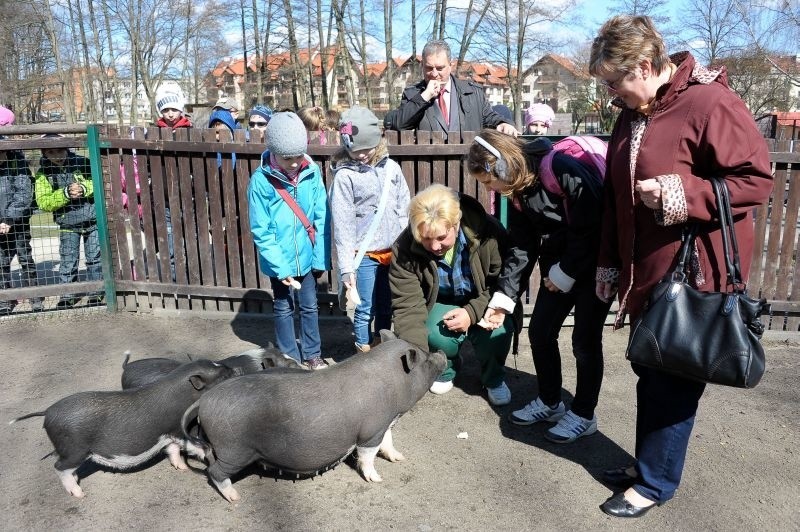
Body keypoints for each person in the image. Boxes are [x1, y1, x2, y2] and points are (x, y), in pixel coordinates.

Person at [588, 15, 772, 517]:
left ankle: (655, 483)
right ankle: (648, 464)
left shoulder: (710, 103)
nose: (610, 93)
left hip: (694, 274)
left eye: (614, 81)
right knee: (652, 369)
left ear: (644, 66)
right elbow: (615, 200)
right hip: (649, 270)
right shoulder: (632, 113)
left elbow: (756, 181)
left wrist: (677, 191)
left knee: (671, 379)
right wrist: (609, 264)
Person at [468, 129, 612, 443]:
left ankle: (584, 414)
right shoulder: (517, 193)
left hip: (594, 266)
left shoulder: (559, 167)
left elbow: (593, 224)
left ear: (503, 165)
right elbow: (522, 247)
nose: (489, 188)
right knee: (540, 332)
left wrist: (567, 271)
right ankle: (550, 401)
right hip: (558, 270)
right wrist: (504, 298)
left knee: (584, 342)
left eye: (488, 181)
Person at [390, 183, 516, 405]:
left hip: (485, 300)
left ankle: (493, 378)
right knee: (433, 332)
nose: (434, 246)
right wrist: (417, 361)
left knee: (499, 331)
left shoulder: (489, 234)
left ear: (456, 224)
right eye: (425, 239)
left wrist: (471, 313)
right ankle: (444, 368)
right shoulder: (404, 248)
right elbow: (408, 305)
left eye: (441, 237)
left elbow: (503, 283)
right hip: (441, 304)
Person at [247, 112, 331, 369]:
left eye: (298, 156)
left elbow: (321, 216)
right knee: (283, 307)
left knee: (309, 306)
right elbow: (261, 230)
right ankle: (290, 357)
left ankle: (312, 353)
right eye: (287, 158)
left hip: (306, 255)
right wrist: (280, 267)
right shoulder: (260, 182)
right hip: (280, 258)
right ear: (273, 151)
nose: (294, 163)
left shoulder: (312, 173)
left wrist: (319, 258)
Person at [329, 106, 410, 352]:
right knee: (365, 308)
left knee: (387, 305)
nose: (362, 155)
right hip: (363, 253)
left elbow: (404, 207)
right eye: (355, 151)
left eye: (367, 149)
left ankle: (382, 347)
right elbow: (342, 225)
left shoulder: (392, 168)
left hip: (393, 250)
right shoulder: (345, 177)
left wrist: (407, 246)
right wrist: (346, 268)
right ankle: (363, 350)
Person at [392, 40, 518, 137]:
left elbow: (489, 117)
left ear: (450, 66)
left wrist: (503, 123)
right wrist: (424, 97)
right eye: (429, 68)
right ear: (422, 65)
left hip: (467, 167)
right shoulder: (412, 94)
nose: (434, 74)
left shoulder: (473, 93)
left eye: (440, 68)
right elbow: (399, 125)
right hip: (428, 167)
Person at [34, 135, 103, 308]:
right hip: (67, 224)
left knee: (94, 259)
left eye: (59, 150)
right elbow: (43, 201)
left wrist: (84, 188)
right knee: (68, 260)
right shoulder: (44, 173)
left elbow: (99, 182)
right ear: (44, 153)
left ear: (67, 149)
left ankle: (96, 292)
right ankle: (67, 294)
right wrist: (64, 194)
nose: (57, 155)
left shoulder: (83, 163)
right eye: (51, 152)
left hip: (92, 219)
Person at [0, 138, 43, 314]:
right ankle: (5, 298)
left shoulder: (17, 163)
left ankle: (34, 295)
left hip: (18, 221)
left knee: (24, 257)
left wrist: (8, 219)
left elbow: (24, 193)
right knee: (1, 262)